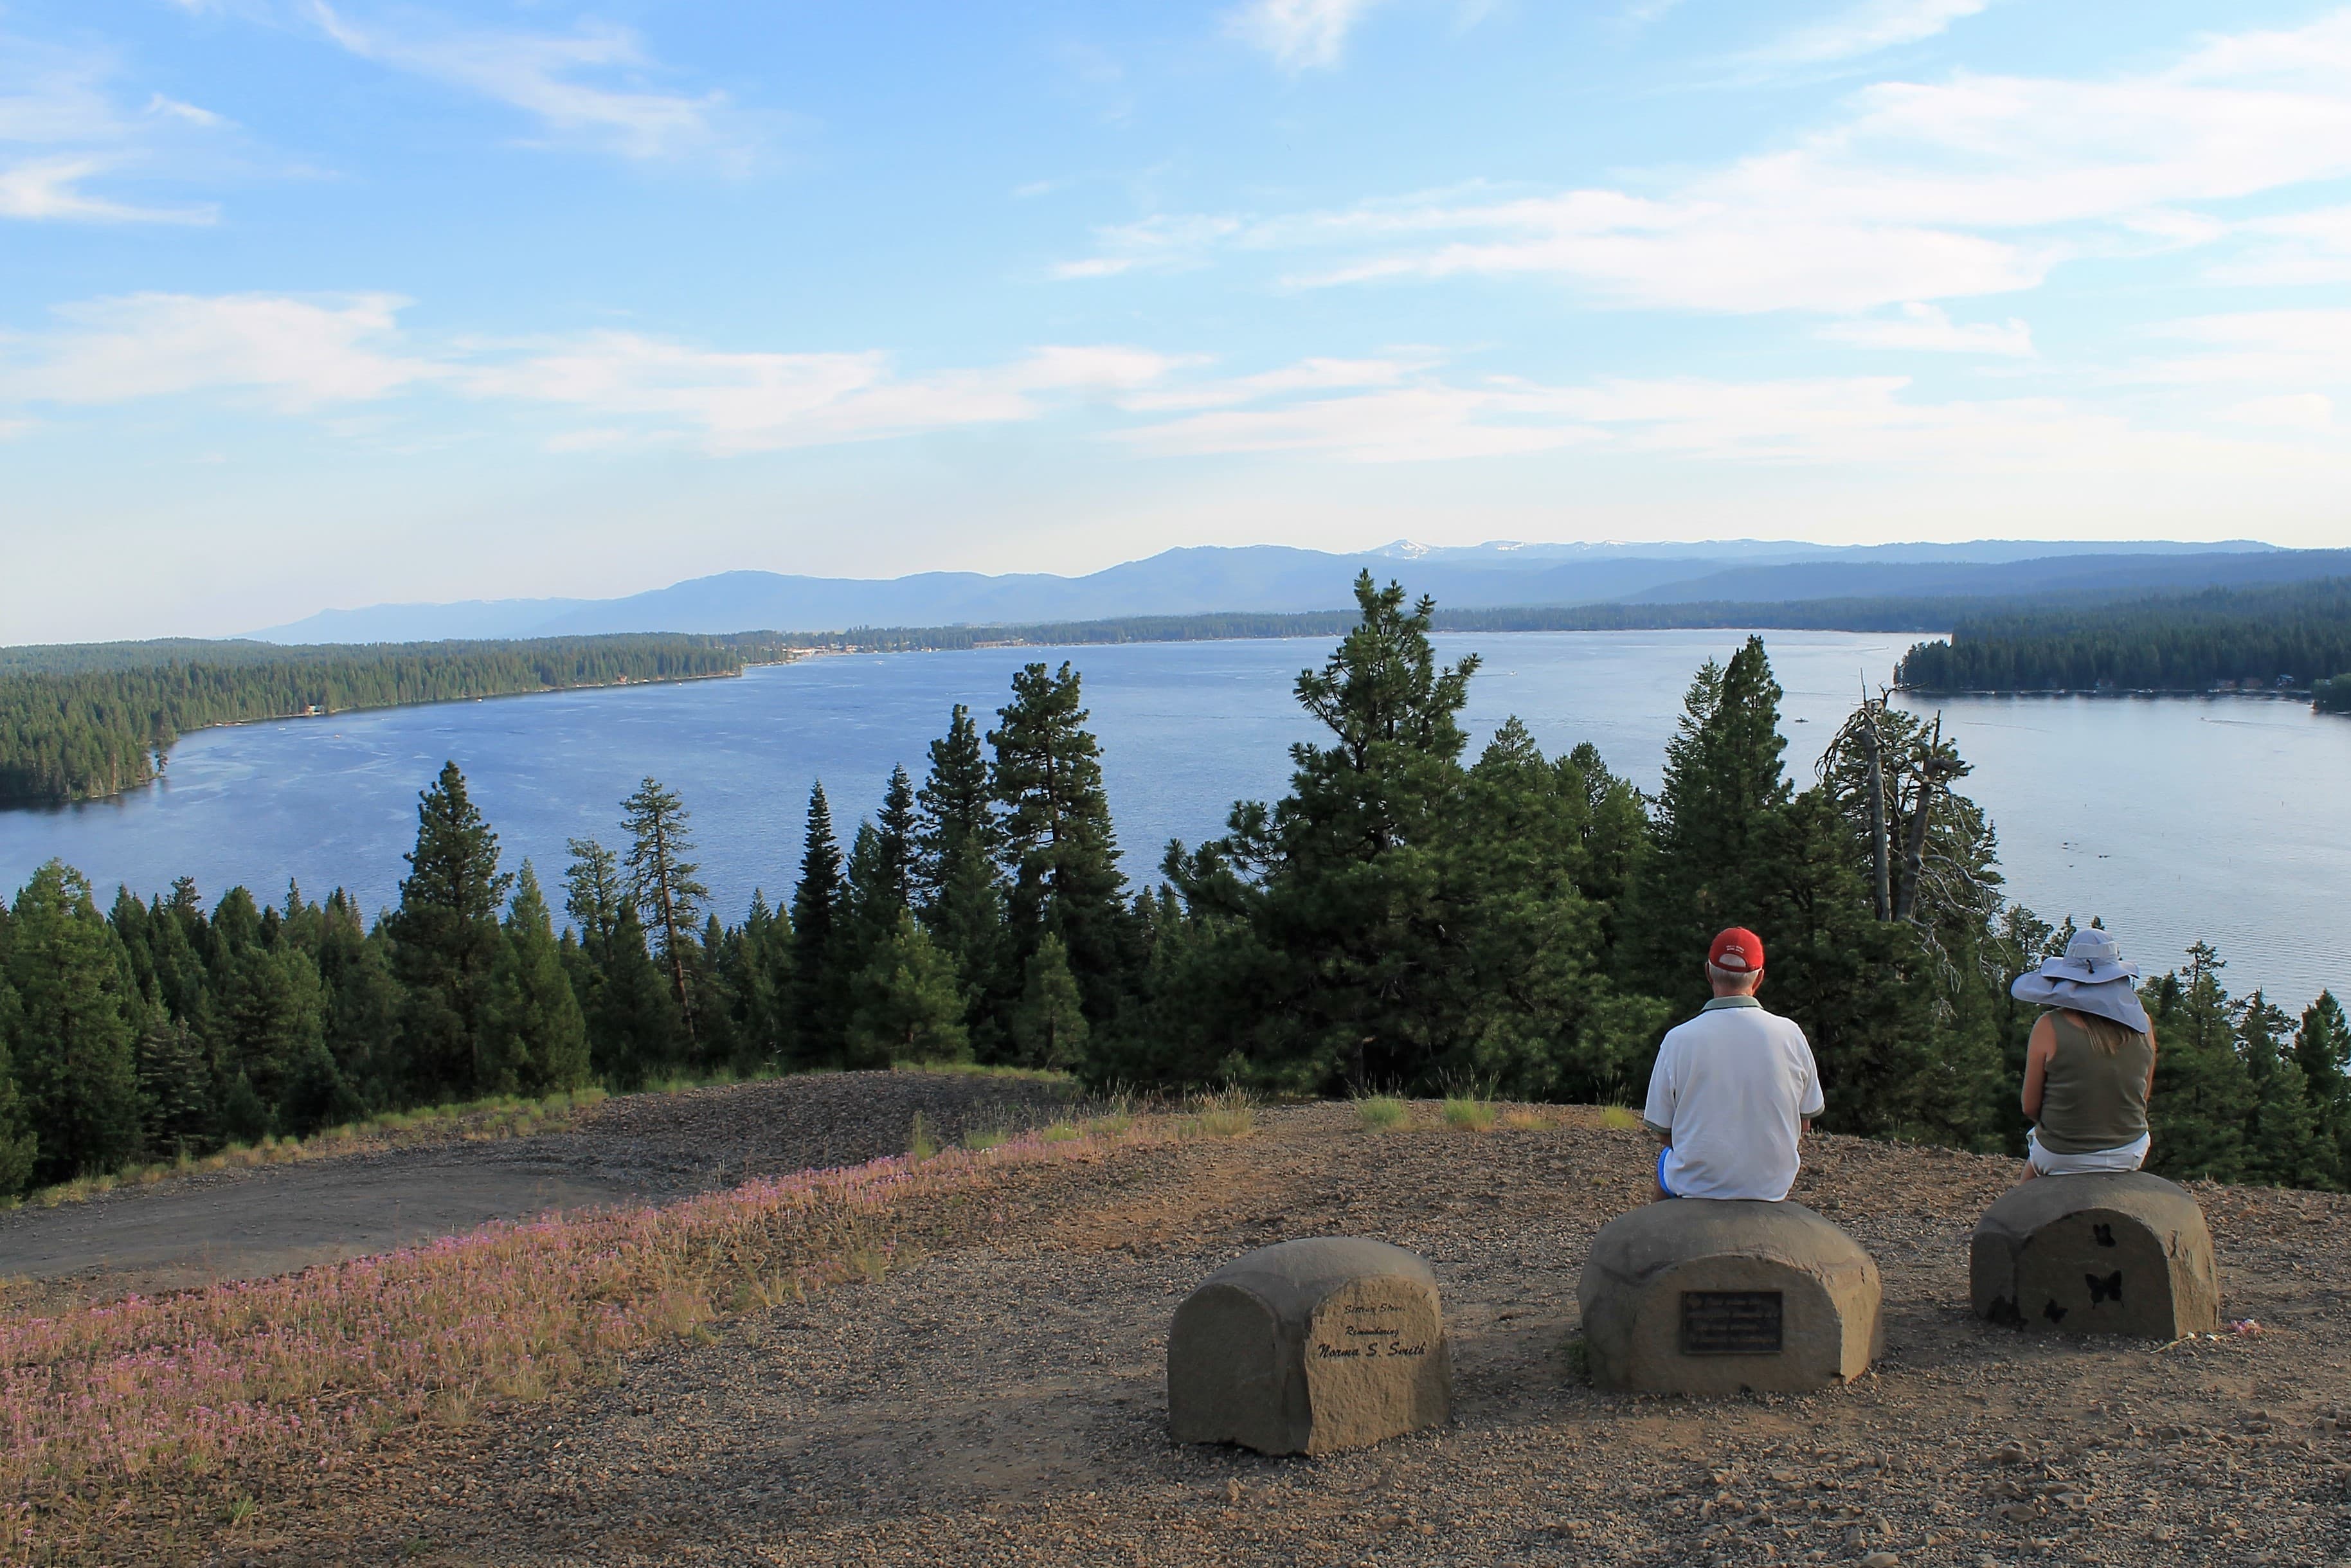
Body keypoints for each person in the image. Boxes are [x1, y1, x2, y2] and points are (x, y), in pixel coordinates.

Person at [1642, 927, 1824, 1201]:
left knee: (1664, 1166)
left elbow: (1663, 1133)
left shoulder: (1677, 1039)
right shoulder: (1792, 1034)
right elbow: (1805, 1123)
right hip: (1771, 1187)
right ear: (1759, 978)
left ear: (1708, 972)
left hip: (1697, 1186)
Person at [2011, 927, 2157, 1180]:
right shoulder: (2142, 1024)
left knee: (2022, 1196)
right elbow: (2141, 1097)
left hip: (2061, 1154)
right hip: (2129, 1150)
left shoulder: (2049, 1027)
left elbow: (2030, 1106)